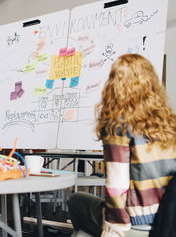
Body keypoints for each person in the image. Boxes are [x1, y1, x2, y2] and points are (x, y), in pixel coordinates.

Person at [68, 53, 176, 237]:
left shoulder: (118, 125)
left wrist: (114, 228)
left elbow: (117, 184)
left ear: (114, 85)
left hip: (138, 225)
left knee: (76, 201)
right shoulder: (169, 123)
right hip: (168, 220)